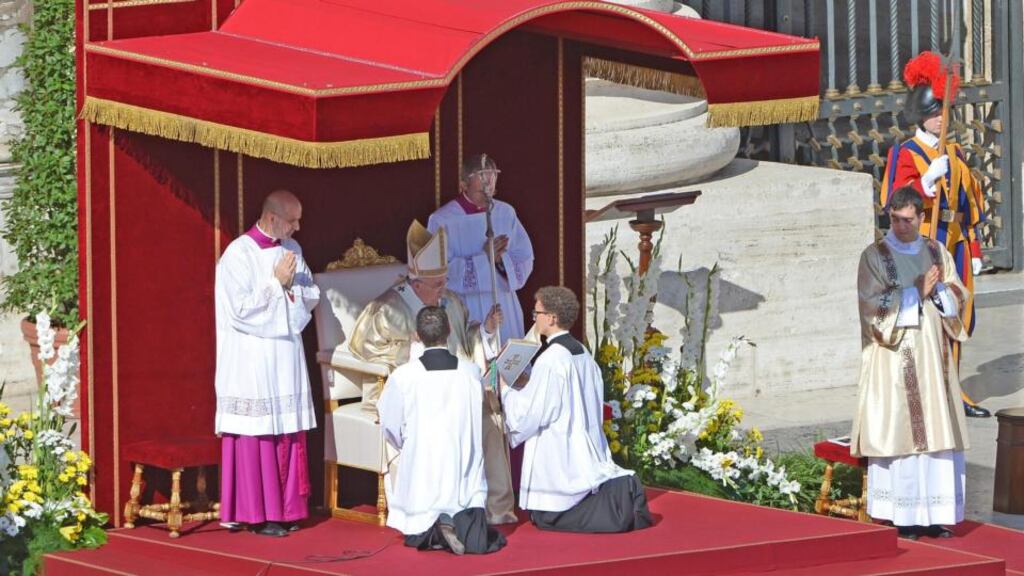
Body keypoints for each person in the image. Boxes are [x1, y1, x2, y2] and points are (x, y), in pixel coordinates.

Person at [348, 220, 517, 525]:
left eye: (444, 281)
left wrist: (487, 330)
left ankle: (496, 509)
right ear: (416, 284)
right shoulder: (387, 309)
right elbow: (362, 349)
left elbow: (466, 340)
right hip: (416, 394)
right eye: (437, 284)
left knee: (487, 421)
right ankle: (421, 513)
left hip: (454, 390)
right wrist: (408, 352)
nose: (443, 290)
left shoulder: (450, 301)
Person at [851, 186, 970, 541]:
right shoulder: (874, 255)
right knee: (903, 432)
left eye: (907, 220)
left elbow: (958, 294)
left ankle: (935, 514)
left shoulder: (935, 251)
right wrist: (914, 292)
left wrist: (939, 292)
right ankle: (903, 516)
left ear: (921, 218)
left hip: (933, 359)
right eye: (894, 219)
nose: (900, 226)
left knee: (936, 431)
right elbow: (871, 307)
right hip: (894, 362)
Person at [879, 51, 989, 418]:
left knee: (958, 313)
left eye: (946, 110)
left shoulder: (953, 152)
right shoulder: (905, 153)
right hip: (924, 245)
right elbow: (894, 200)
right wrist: (925, 181)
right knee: (924, 315)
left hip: (954, 242)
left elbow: (968, 202)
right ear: (922, 115)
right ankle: (924, 390)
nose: (944, 117)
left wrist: (973, 246)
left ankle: (952, 389)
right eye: (937, 111)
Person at [500, 286, 652, 533]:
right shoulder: (582, 352)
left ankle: (612, 509)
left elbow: (532, 413)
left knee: (547, 516)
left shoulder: (551, 359)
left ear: (552, 318)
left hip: (560, 451)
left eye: (536, 313)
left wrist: (506, 389)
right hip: (582, 440)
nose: (534, 319)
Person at [214, 189, 320, 537]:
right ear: (272, 218)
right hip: (252, 359)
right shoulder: (237, 255)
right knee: (259, 432)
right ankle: (258, 513)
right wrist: (277, 285)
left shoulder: (292, 250)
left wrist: (292, 291)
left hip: (286, 353)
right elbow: (240, 311)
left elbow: (309, 295)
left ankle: (287, 509)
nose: (299, 227)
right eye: (293, 220)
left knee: (287, 429)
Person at [377, 306, 507, 555]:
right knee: (473, 524)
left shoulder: (404, 376)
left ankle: (435, 528)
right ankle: (455, 523)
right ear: (449, 331)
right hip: (462, 467)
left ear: (416, 335)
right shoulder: (470, 373)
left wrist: (408, 445)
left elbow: (390, 424)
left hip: (423, 468)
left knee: (418, 528)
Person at [428, 153, 534, 344]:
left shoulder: (505, 212)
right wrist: (485, 258)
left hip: (503, 303)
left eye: (491, 190)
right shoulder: (442, 220)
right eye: (481, 192)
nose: (488, 197)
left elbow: (524, 257)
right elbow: (437, 271)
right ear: (463, 185)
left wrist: (502, 261)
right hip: (466, 307)